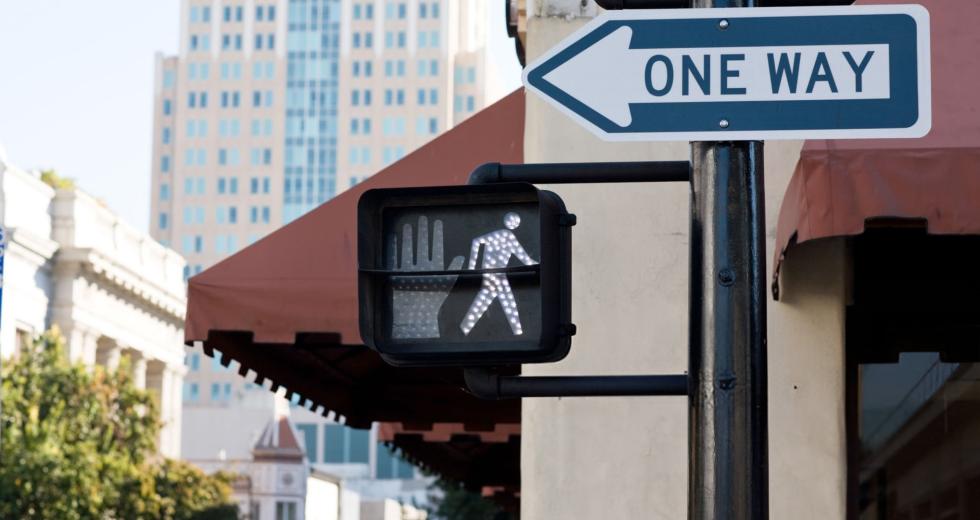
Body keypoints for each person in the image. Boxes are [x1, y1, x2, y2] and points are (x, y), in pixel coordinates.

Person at [460, 212, 537, 336]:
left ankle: (463, 330)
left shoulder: (505, 236)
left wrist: (473, 266)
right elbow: (476, 241)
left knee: (484, 305)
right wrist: (472, 267)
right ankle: (518, 335)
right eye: (514, 220)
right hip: (494, 274)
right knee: (508, 305)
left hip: (495, 274)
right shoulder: (505, 235)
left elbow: (525, 258)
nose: (515, 223)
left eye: (516, 221)